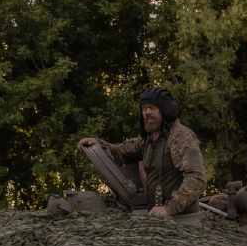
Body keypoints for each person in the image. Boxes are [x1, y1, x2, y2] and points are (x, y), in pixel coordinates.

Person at [80, 88, 206, 217]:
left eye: (152, 108)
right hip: (158, 216)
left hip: (183, 219)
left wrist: (169, 209)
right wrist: (99, 144)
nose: (146, 112)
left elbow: (196, 178)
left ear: (166, 111)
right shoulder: (149, 139)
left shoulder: (181, 137)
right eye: (144, 108)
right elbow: (122, 150)